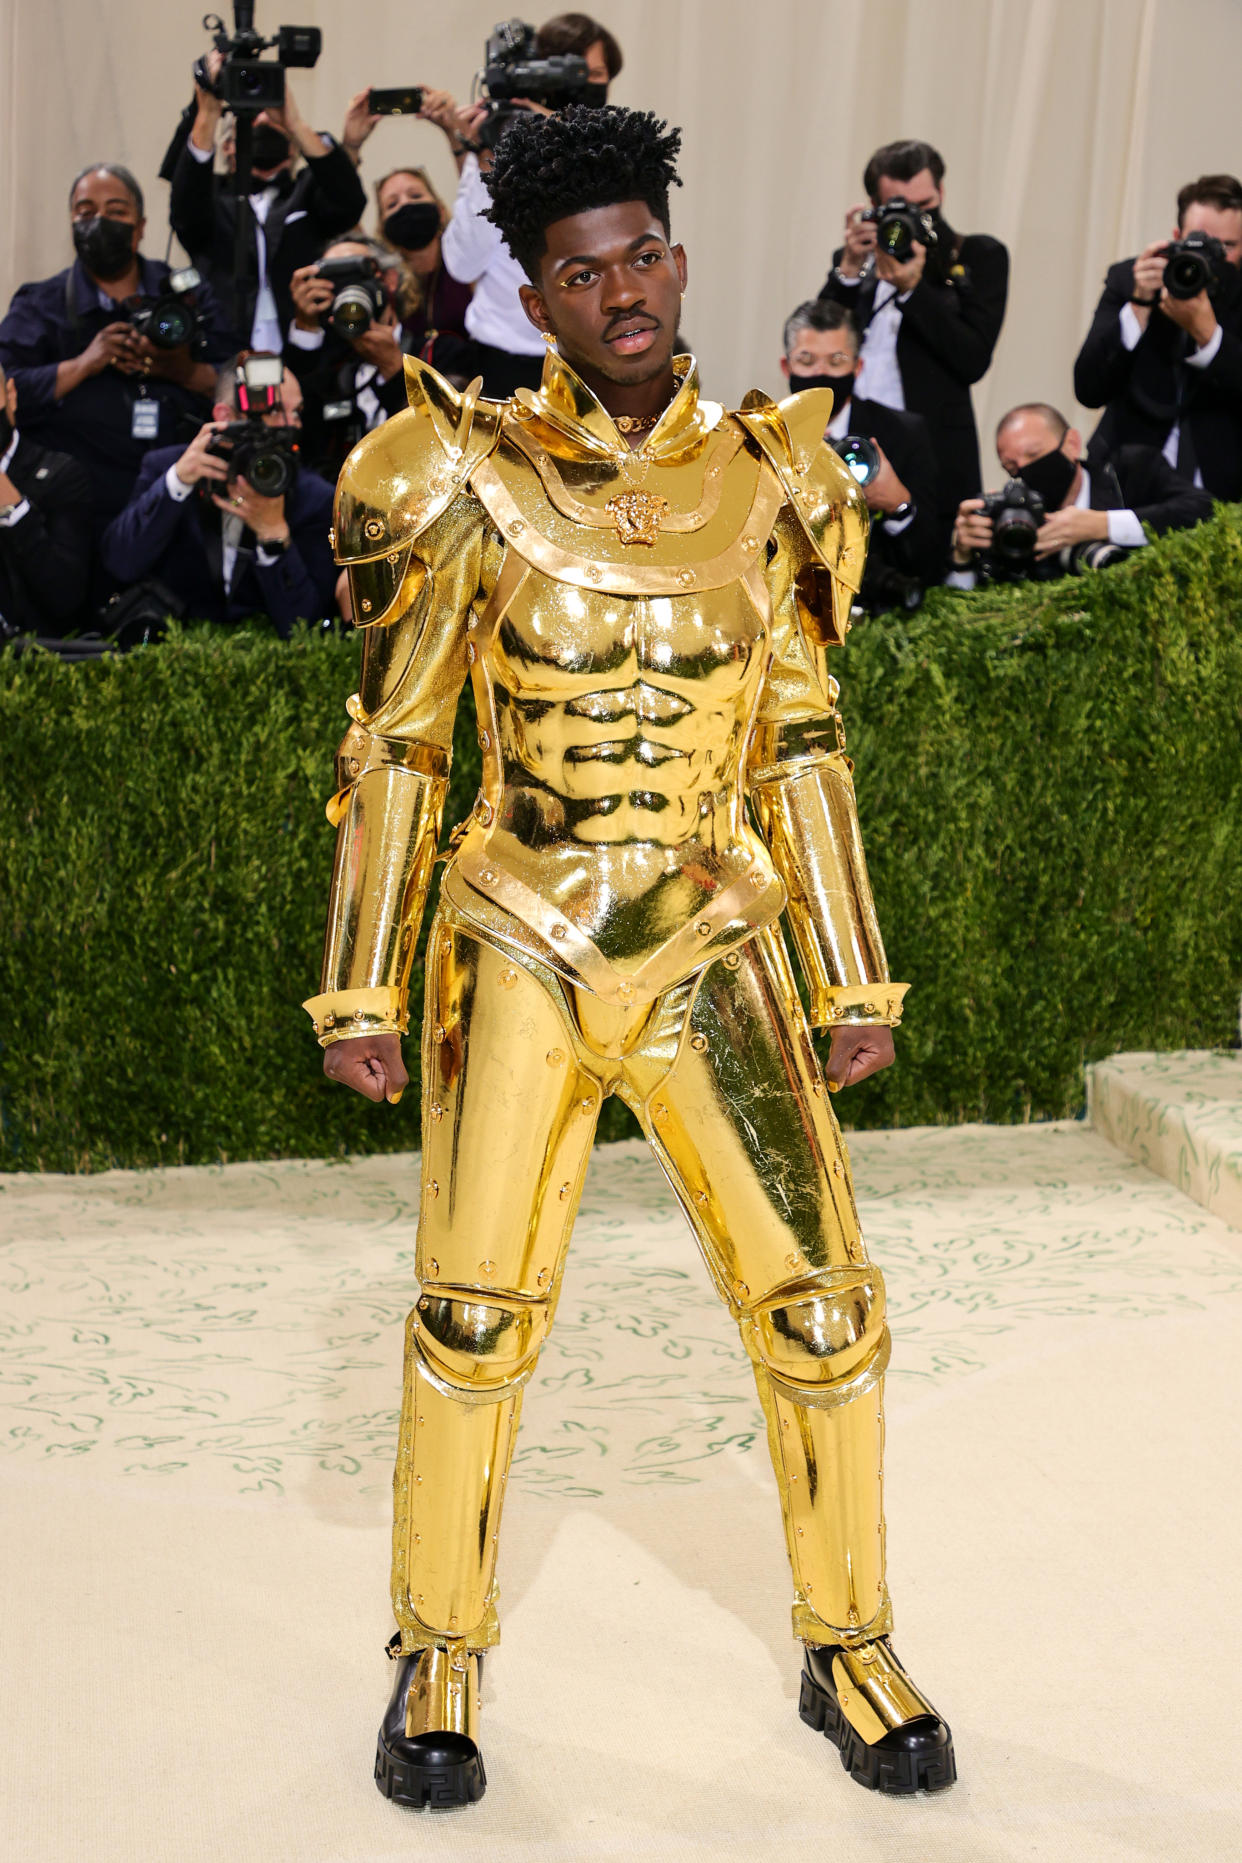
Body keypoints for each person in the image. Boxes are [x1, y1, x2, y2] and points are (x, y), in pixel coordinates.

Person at [304, 102, 955, 1812]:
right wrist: (364, 981)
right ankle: (436, 1645)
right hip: (521, 926)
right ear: (535, 292)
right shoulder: (453, 469)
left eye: (644, 256)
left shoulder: (776, 469)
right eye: (584, 273)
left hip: (714, 930)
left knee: (821, 1304)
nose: (625, 292)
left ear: (675, 256)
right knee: (470, 1316)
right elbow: (402, 742)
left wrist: (852, 973)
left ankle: (850, 1639)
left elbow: (804, 737)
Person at [0, 164, 233, 533]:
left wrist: (177, 369)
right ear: (72, 223)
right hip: (75, 508)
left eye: (116, 211)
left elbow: (235, 382)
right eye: (86, 212)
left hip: (176, 501)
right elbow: (8, 388)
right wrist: (84, 364)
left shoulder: (187, 296)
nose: (100, 222)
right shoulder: (40, 303)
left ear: (140, 228)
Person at [419, 13, 623, 397]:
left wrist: (559, 137)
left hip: (588, 358)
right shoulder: (501, 135)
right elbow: (463, 263)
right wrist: (484, 155)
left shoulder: (614, 151)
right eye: (579, 73)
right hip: (502, 358)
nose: (591, 86)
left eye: (598, 76)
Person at [817, 138, 1009, 529]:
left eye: (926, 208)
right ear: (874, 206)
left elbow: (972, 359)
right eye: (899, 210)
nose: (916, 222)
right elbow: (819, 338)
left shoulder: (976, 257)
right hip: (855, 446)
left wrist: (913, 289)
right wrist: (849, 270)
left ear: (941, 192)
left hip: (936, 452)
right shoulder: (857, 261)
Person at [100, 356, 336, 635]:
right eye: (272, 411)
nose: (288, 425)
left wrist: (273, 534)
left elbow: (306, 629)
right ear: (224, 416)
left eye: (295, 412)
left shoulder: (315, 496)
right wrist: (176, 483)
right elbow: (120, 564)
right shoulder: (165, 467)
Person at [168, 57, 367, 355]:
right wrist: (208, 112)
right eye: (251, 119)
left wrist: (293, 123)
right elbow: (185, 213)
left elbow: (348, 202)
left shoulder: (305, 192)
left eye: (268, 117)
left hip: (303, 352)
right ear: (227, 147)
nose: (261, 121)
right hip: (222, 354)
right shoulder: (211, 197)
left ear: (292, 147)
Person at [1073, 173, 1242, 499]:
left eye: (1227, 246)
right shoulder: (1130, 278)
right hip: (1127, 480)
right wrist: (1138, 307)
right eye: (1198, 241)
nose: (1212, 257)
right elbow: (1088, 388)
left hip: (1222, 488)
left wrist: (1208, 336)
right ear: (1176, 237)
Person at [781, 299, 944, 603]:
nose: (821, 372)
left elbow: (931, 560)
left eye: (836, 360)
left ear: (858, 366)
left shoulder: (903, 434)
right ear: (786, 365)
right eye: (807, 360)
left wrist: (899, 505)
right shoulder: (764, 434)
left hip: (875, 609)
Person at [947, 400, 1212, 587]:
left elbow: (1202, 509)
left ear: (1072, 444)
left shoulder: (1132, 470)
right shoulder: (1013, 519)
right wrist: (962, 555)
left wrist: (1103, 525)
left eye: (1035, 455)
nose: (1026, 471)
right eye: (1012, 467)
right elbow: (963, 611)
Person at [286, 236, 415, 476]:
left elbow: (446, 434)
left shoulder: (438, 350)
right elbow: (303, 436)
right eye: (335, 279)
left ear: (389, 280)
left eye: (355, 275)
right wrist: (306, 327)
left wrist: (396, 370)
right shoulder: (328, 366)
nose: (348, 290)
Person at [0, 373, 93, 639]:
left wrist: (14, 510)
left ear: (11, 396)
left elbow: (66, 597)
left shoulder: (61, 475)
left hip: (34, 661)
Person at [375, 167, 473, 378]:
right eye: (392, 204)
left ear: (439, 211)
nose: (406, 204)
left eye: (415, 195)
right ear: (383, 228)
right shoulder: (385, 286)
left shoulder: (470, 264)